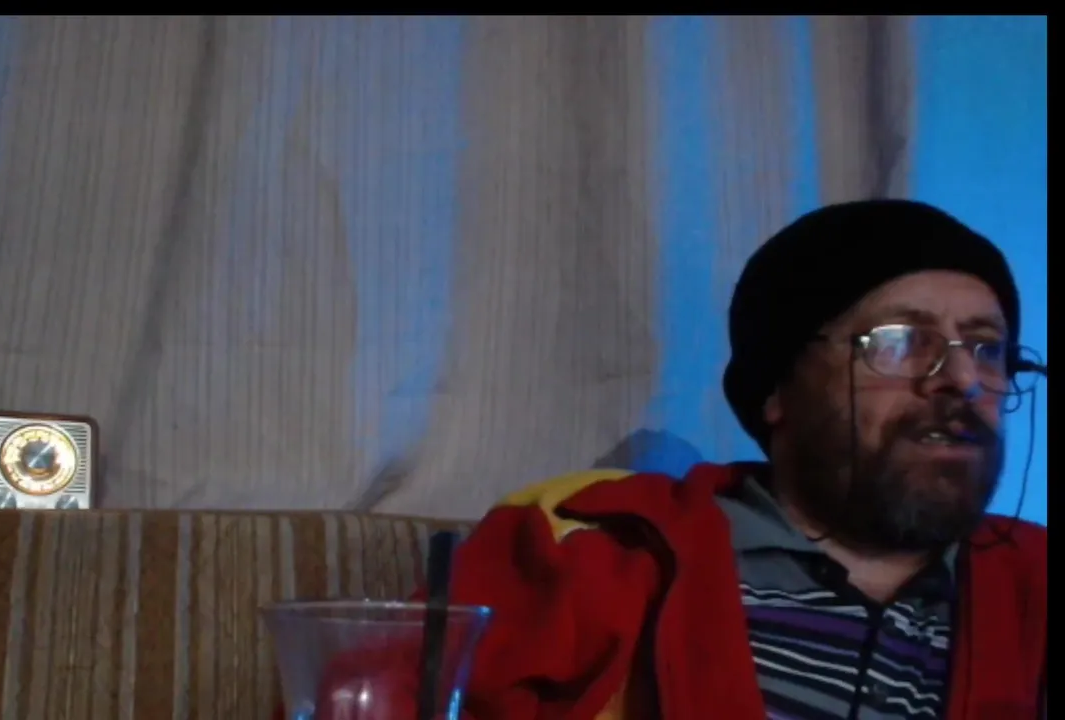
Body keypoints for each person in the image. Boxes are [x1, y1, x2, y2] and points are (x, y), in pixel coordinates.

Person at [312, 199, 1047, 719]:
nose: (962, 379)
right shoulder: (593, 546)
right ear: (778, 389)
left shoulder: (1033, 584)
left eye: (987, 349)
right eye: (901, 342)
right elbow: (367, 702)